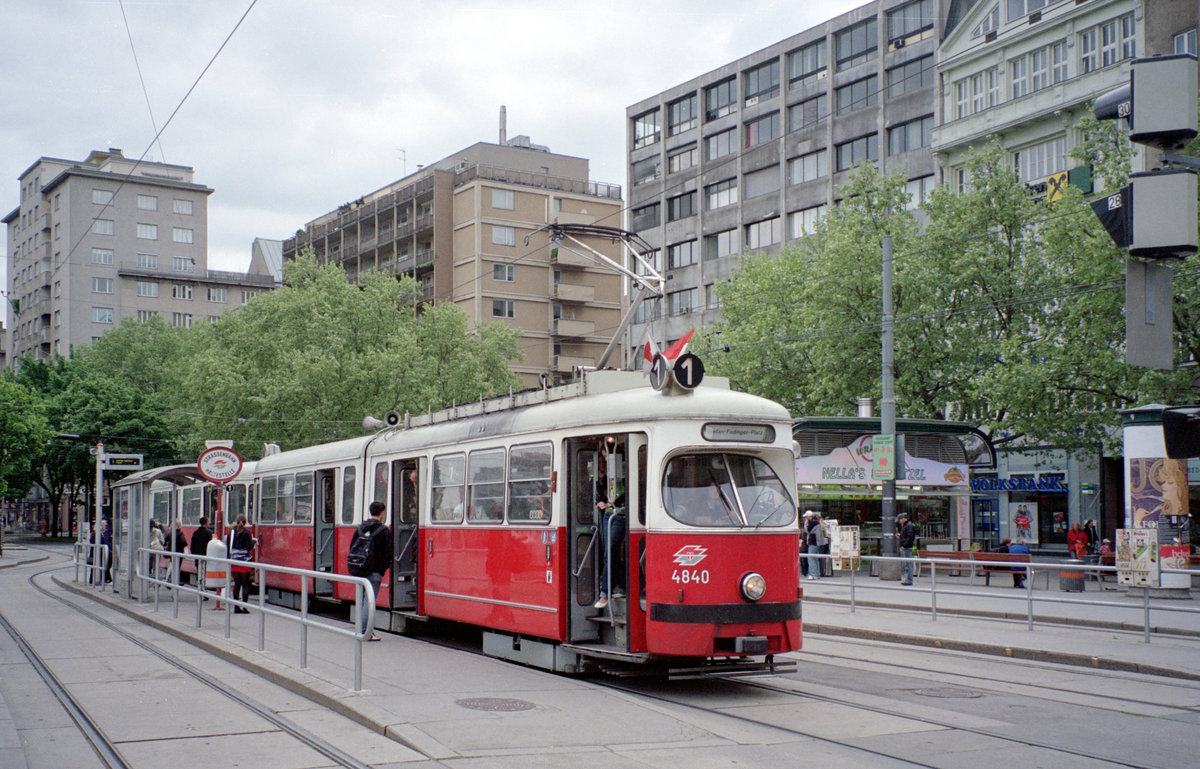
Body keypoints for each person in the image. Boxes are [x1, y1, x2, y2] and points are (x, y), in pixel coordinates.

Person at [350, 501, 393, 639]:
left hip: (360, 569)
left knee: (362, 600)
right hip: (374, 572)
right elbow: (388, 553)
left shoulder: (361, 528)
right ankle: (365, 632)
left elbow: (352, 547)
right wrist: (381, 570)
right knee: (370, 602)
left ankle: (362, 629)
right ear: (382, 513)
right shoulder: (384, 530)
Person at [593, 450, 627, 610]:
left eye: (607, 456)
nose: (605, 460)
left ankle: (605, 593)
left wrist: (611, 504)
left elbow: (627, 493)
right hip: (608, 515)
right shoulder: (604, 475)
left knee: (610, 551)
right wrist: (601, 503)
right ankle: (622, 585)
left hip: (620, 515)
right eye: (603, 457)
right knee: (609, 554)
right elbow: (603, 494)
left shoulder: (624, 469)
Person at [226, 514, 257, 613]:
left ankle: (236, 607)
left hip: (234, 561)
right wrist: (254, 541)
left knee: (237, 584)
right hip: (244, 562)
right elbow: (248, 547)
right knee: (245, 584)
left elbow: (228, 547)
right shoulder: (246, 533)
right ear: (245, 522)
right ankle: (244, 607)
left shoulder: (231, 533)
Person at [190, 516, 213, 593]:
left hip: (197, 556)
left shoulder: (195, 533)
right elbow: (211, 545)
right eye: (208, 521)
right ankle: (203, 589)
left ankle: (200, 588)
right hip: (205, 555)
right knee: (205, 573)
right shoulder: (209, 533)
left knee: (199, 572)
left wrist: (194, 554)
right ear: (206, 522)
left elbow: (192, 545)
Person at [806, 513, 827, 581]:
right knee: (815, 559)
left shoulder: (813, 523)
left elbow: (807, 530)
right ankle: (817, 574)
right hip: (818, 543)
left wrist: (806, 523)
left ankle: (813, 574)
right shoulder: (818, 523)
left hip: (813, 542)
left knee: (811, 558)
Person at [897, 513, 917, 585]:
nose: (899, 522)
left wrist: (904, 545)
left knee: (907, 564)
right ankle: (907, 579)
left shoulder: (908, 526)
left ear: (903, 519)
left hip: (906, 547)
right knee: (906, 564)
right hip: (905, 547)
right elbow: (909, 536)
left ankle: (908, 580)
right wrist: (901, 535)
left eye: (899, 520)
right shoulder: (907, 526)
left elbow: (910, 537)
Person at [799, 511, 812, 578]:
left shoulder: (807, 526)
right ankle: (805, 571)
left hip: (804, 544)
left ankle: (805, 571)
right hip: (803, 545)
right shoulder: (802, 528)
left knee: (804, 559)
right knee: (804, 559)